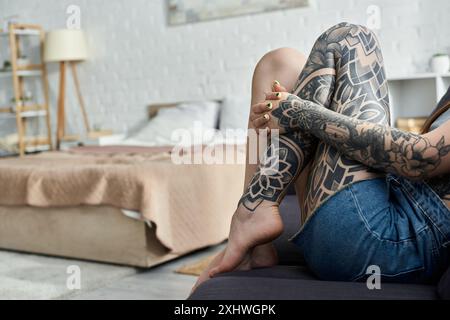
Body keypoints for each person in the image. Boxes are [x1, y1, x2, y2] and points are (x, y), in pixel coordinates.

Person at [192, 22, 450, 292]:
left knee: (350, 37)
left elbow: (421, 157)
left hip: (389, 242)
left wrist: (300, 112)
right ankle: (257, 241)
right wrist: (299, 111)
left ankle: (252, 210)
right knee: (281, 64)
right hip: (389, 202)